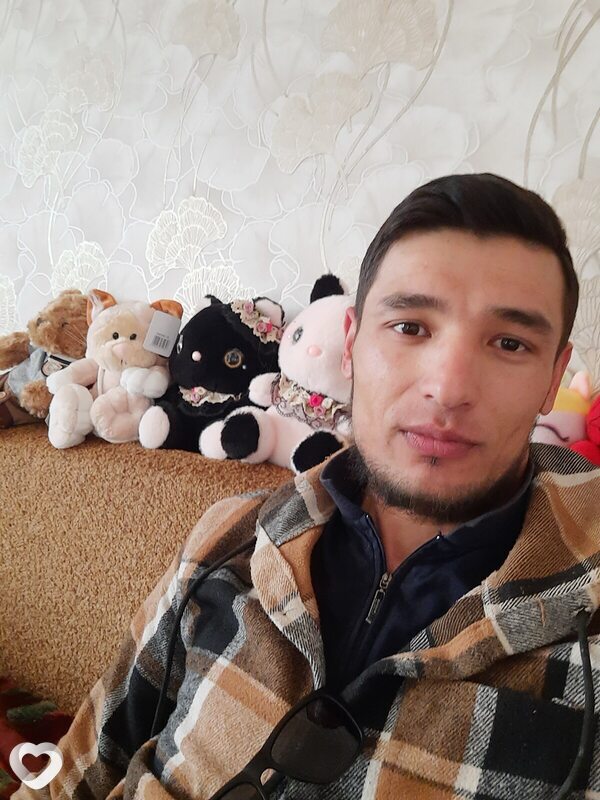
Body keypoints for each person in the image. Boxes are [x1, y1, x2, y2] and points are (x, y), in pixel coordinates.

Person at [13, 173, 600, 800]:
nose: (448, 388)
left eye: (509, 343)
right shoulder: (231, 535)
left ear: (553, 377)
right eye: (409, 327)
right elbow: (79, 766)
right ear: (349, 345)